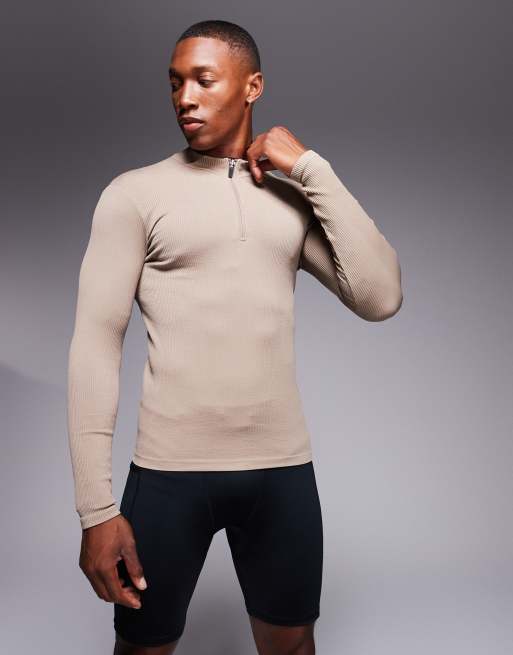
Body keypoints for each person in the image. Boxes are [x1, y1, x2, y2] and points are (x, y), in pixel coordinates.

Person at [67, 18, 403, 655]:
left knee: (292, 648)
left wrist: (310, 169)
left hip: (281, 474)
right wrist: (95, 510)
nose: (184, 97)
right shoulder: (134, 195)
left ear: (253, 87)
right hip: (169, 476)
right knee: (142, 649)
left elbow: (381, 297)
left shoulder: (290, 200)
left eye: (203, 80)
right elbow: (94, 347)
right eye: (175, 83)